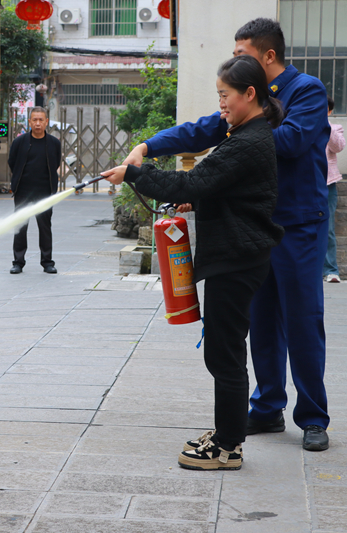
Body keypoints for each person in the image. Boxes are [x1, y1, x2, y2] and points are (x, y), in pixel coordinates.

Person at [122, 18, 332, 451]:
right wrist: (148, 146)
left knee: (302, 319)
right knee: (259, 319)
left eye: (242, 56)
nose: (234, 63)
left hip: (297, 223)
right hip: (252, 227)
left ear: (267, 57)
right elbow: (200, 130)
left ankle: (312, 416)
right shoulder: (245, 106)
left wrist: (245, 127)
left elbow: (290, 141)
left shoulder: (305, 91)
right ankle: (267, 407)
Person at [103, 55, 284, 470]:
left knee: (225, 352)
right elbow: (216, 188)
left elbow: (192, 181)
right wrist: (199, 194)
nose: (220, 105)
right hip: (238, 255)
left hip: (236, 260)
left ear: (249, 94)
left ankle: (227, 447)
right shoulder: (246, 133)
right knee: (224, 349)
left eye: (225, 96)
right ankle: (227, 432)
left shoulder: (248, 141)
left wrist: (135, 173)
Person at [7, 107, 62, 275]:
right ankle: (18, 262)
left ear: (46, 122)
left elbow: (56, 164)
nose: (38, 123)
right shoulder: (19, 142)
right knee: (20, 227)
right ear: (29, 122)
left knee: (45, 227)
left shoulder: (53, 143)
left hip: (44, 191)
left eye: (41, 120)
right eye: (34, 120)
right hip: (23, 191)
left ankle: (47, 262)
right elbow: (12, 162)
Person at [323, 96, 345, 283]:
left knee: (328, 228)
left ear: (329, 111)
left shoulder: (334, 128)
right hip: (307, 184)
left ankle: (331, 270)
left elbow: (338, 147)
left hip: (328, 184)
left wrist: (325, 125)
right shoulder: (304, 126)